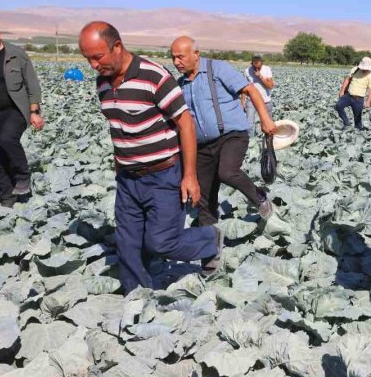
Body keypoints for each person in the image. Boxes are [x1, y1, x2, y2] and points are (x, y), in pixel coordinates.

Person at [79, 22, 220, 293]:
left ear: (117, 47)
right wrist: (120, 167)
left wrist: (189, 175)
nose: (93, 66)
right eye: (88, 59)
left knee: (160, 243)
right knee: (128, 243)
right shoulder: (102, 82)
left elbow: (185, 123)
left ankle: (210, 238)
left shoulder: (153, 76)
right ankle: (137, 298)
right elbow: (117, 125)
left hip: (163, 175)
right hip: (128, 178)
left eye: (98, 57)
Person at [170, 37, 277, 226]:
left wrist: (265, 119)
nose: (176, 62)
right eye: (173, 58)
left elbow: (251, 90)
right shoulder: (181, 84)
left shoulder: (217, 69)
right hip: (202, 146)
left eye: (180, 57)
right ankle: (211, 251)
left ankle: (259, 197)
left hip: (231, 135)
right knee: (203, 200)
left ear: (196, 55)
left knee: (227, 172)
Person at [0, 19, 44, 207]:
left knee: (7, 139)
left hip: (16, 109)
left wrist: (35, 111)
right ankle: (7, 197)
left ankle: (23, 175)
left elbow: (32, 84)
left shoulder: (16, 55)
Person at [335, 57, 371, 130]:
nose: (364, 69)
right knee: (338, 106)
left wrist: (368, 101)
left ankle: (358, 134)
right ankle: (346, 123)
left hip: (359, 99)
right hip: (348, 95)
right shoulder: (355, 69)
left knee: (357, 119)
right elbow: (347, 79)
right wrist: (342, 91)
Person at [243, 55, 274, 136]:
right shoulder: (247, 71)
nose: (256, 65)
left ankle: (269, 143)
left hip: (266, 101)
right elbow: (244, 88)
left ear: (261, 62)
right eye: (254, 63)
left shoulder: (267, 69)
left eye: (258, 63)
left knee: (269, 124)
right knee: (249, 124)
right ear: (252, 63)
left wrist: (260, 76)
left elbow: (270, 85)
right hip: (251, 101)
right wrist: (242, 103)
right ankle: (250, 144)